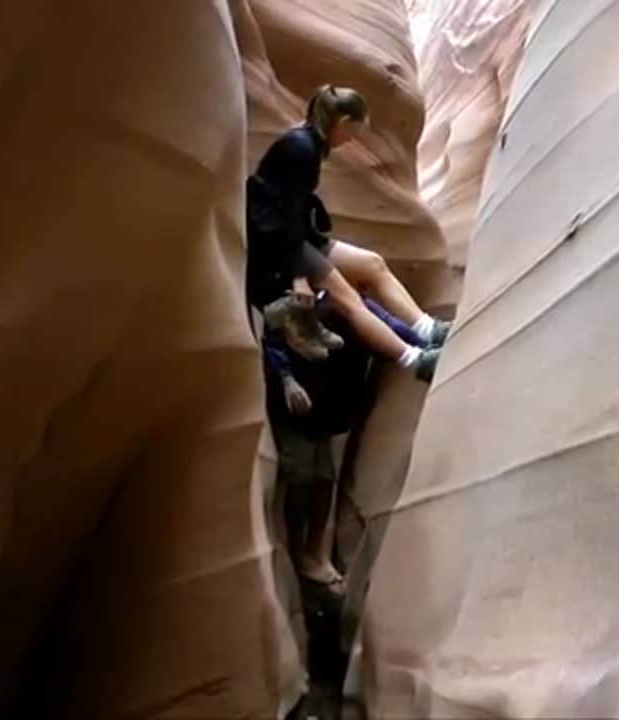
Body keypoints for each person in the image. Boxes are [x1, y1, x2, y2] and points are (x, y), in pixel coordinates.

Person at [247, 84, 448, 382]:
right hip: (277, 243)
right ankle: (416, 360)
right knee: (348, 299)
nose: (351, 140)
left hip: (296, 235)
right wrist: (298, 277)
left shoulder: (309, 143)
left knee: (372, 264)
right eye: (353, 133)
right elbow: (283, 217)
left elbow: (294, 212)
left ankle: (428, 330)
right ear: (341, 122)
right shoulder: (301, 148)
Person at [262, 297, 422, 590]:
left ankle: (316, 552)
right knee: (301, 477)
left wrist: (422, 344)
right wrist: (286, 379)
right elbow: (271, 338)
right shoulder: (291, 302)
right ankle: (300, 552)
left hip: (322, 408)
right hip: (294, 409)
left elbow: (387, 325)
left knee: (324, 478)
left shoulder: (352, 306)